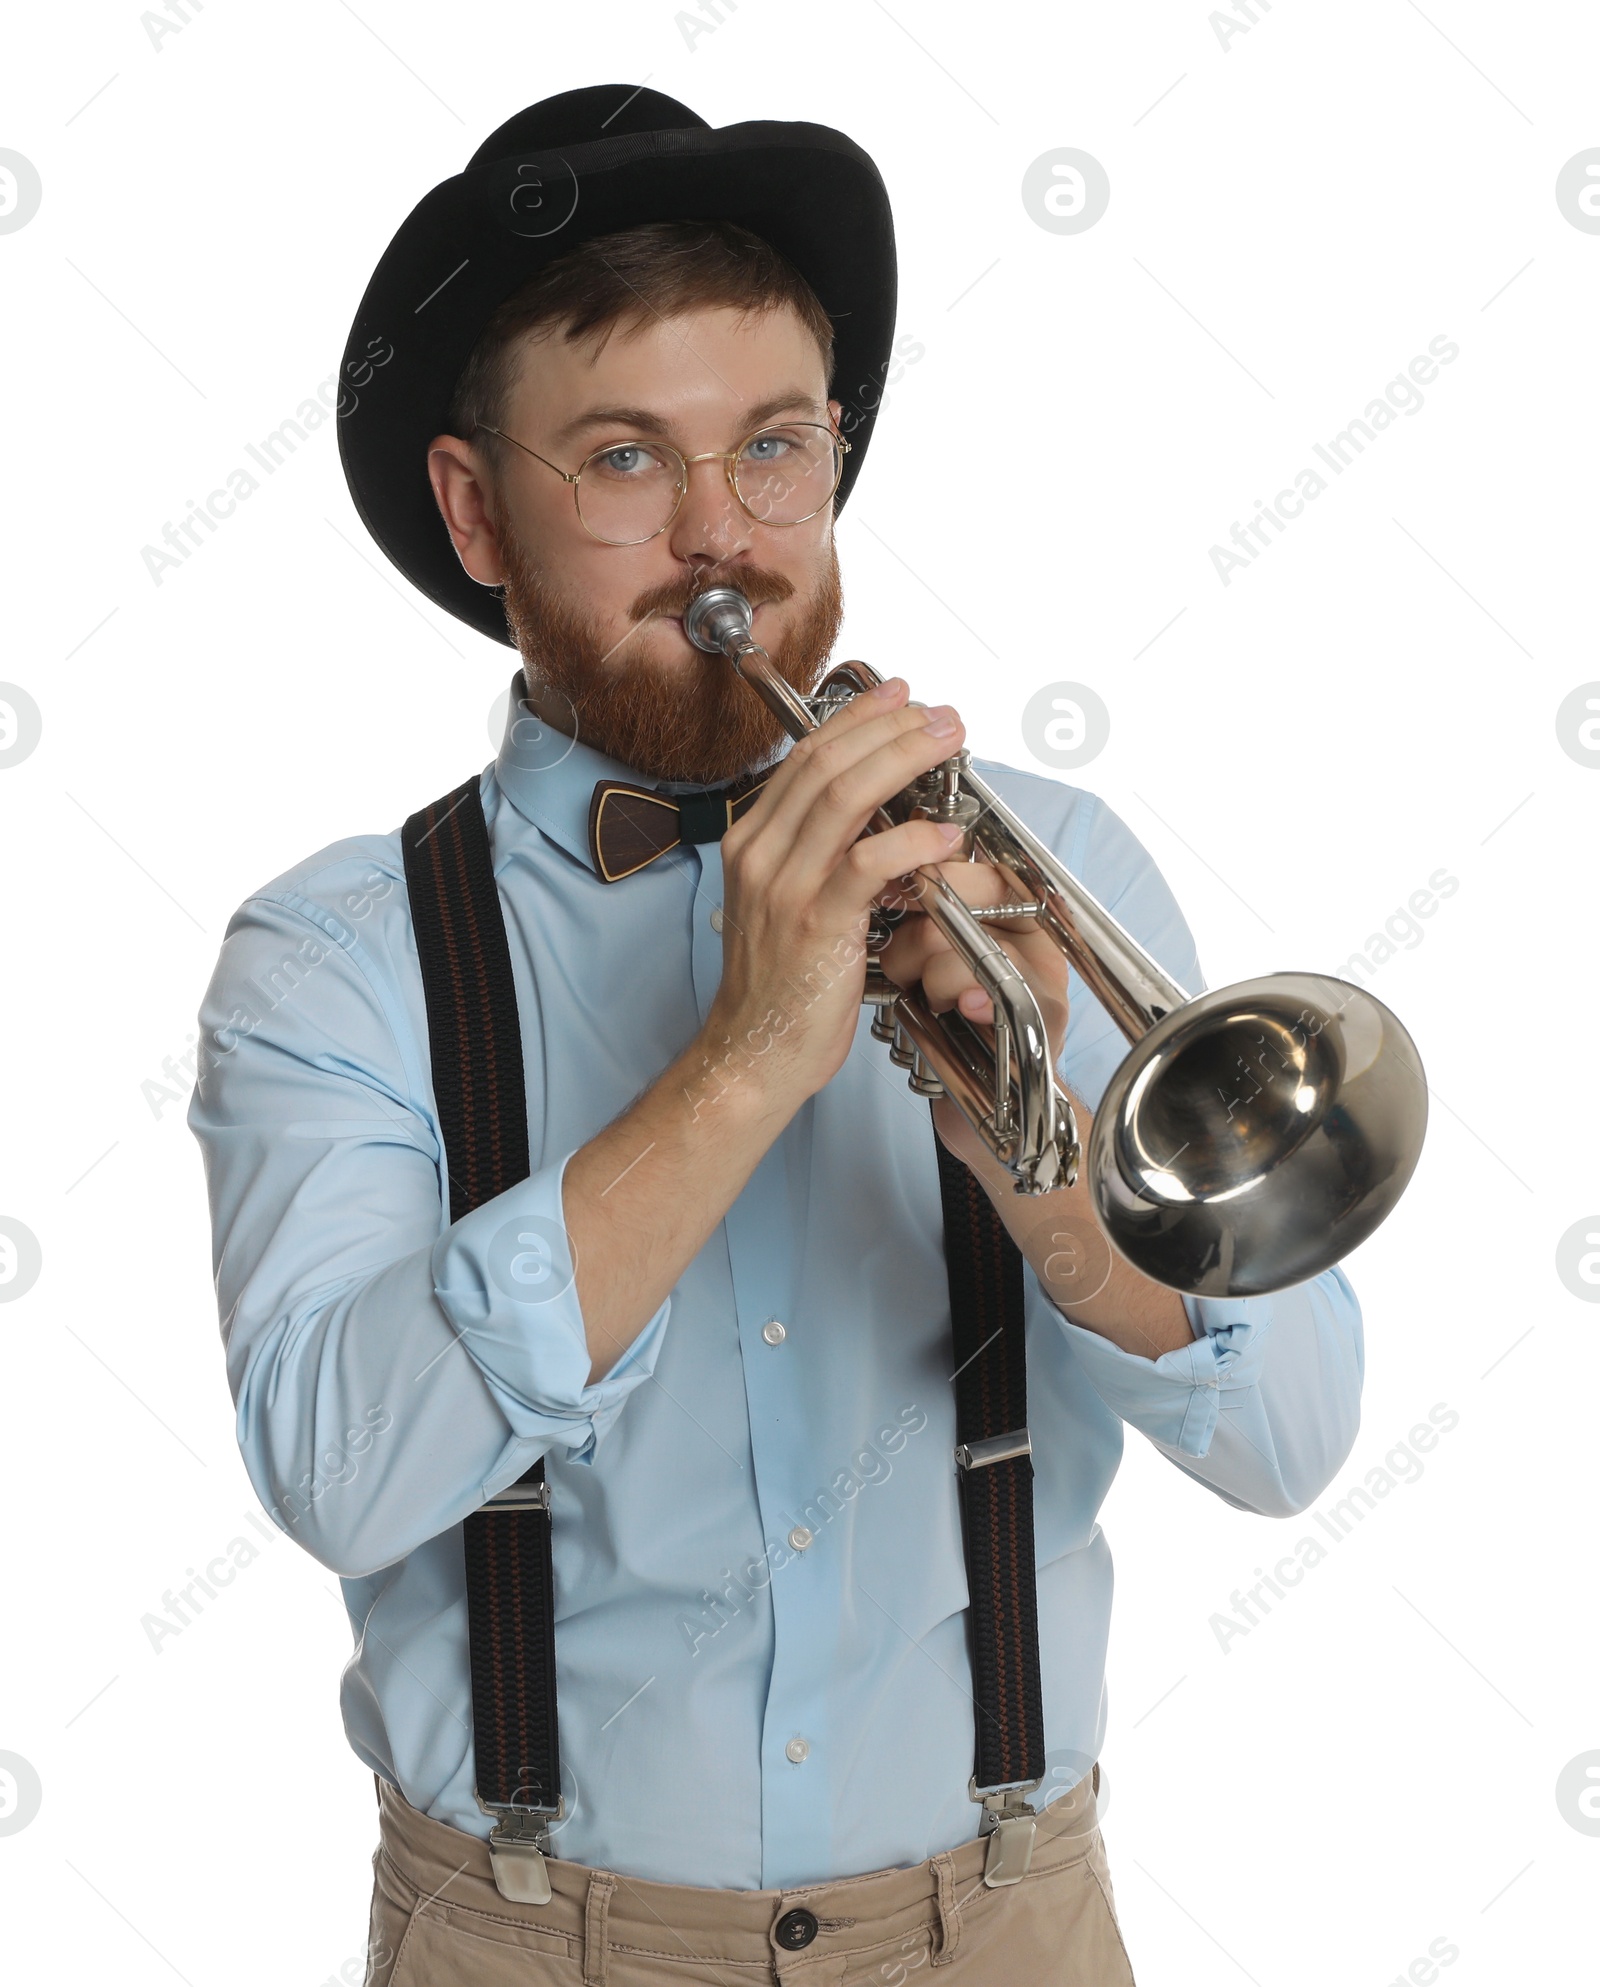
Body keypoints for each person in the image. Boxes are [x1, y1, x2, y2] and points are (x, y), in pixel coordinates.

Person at [188, 86, 1364, 1985]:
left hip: (1002, 1926)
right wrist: (744, 1057)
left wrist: (1026, 1137)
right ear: (479, 510)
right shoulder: (335, 958)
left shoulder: (1054, 868)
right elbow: (340, 1473)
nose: (722, 539)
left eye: (775, 448)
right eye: (626, 461)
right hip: (525, 1940)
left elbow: (1294, 1439)